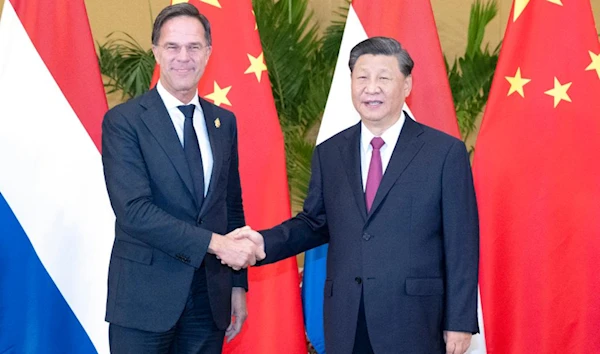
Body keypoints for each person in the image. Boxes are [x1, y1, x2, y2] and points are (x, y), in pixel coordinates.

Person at [238, 37, 479, 354]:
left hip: (415, 320)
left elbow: (461, 243)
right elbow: (315, 223)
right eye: (362, 77)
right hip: (347, 319)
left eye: (384, 77)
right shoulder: (330, 152)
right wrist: (263, 242)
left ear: (406, 85)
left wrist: (459, 321)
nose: (371, 87)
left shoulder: (444, 152)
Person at [101, 4, 264, 353]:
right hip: (144, 302)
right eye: (172, 47)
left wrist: (237, 285)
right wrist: (217, 245)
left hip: (210, 302)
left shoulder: (224, 122)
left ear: (208, 53)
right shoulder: (124, 122)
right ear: (156, 52)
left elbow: (230, 204)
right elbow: (134, 211)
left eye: (193, 47)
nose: (183, 57)